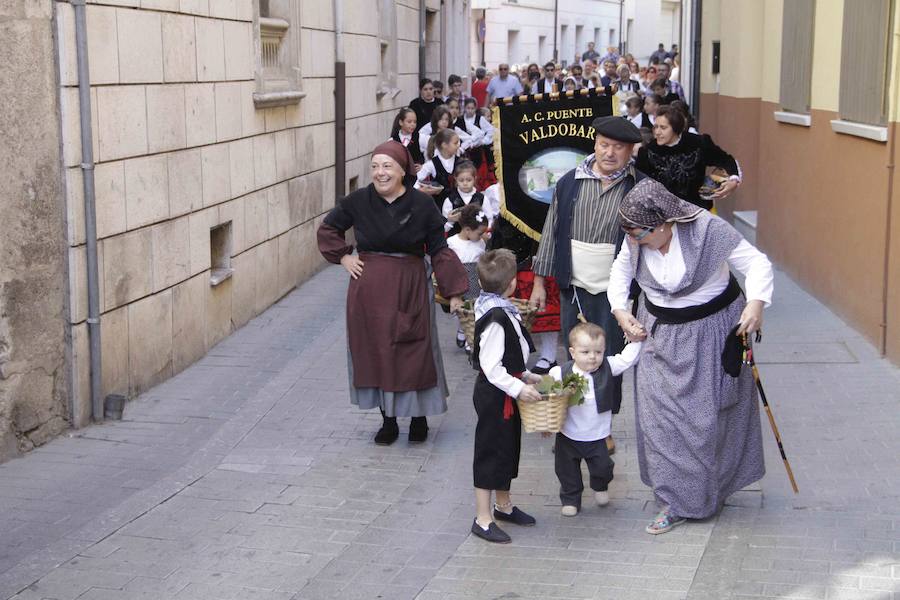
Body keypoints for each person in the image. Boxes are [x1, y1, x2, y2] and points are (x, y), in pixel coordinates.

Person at [607, 178, 773, 534]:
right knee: (660, 421)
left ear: (666, 223)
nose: (635, 241)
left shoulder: (707, 230)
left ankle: (710, 489)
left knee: (707, 422)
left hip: (710, 333)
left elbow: (757, 264)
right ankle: (676, 501)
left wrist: (757, 302)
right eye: (630, 234)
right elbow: (621, 269)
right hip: (660, 333)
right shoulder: (636, 235)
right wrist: (621, 311)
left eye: (640, 234)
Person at [317, 141, 467, 446]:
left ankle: (419, 418)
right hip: (368, 292)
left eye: (387, 166)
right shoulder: (357, 201)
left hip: (410, 286)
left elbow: (439, 248)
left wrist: (454, 292)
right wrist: (345, 256)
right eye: (375, 166)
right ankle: (387, 420)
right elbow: (328, 230)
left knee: (413, 351)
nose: (380, 172)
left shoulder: (422, 205)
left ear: (402, 171)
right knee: (377, 352)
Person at [529, 117, 647, 452]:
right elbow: (551, 234)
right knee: (577, 354)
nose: (610, 153)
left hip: (616, 294)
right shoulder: (569, 183)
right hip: (575, 289)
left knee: (608, 358)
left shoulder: (639, 187)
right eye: (604, 145)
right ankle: (570, 423)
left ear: (630, 151)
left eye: (618, 148)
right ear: (594, 144)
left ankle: (603, 427)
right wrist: (540, 284)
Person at [470, 249, 541, 544]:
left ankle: (503, 505)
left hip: (506, 391)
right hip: (494, 396)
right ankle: (482, 518)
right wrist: (519, 388)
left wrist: (524, 375)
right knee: (490, 453)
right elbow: (490, 366)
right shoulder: (497, 316)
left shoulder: (501, 307)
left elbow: (508, 358)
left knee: (507, 450)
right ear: (512, 284)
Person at [548, 323, 641, 516]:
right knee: (566, 471)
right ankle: (571, 499)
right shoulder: (560, 373)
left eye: (598, 352)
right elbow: (547, 393)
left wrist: (636, 341)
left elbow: (626, 359)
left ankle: (600, 486)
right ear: (572, 352)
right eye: (585, 352)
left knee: (603, 468)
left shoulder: (608, 366)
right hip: (568, 435)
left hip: (598, 435)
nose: (592, 357)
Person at [636, 105, 741, 210]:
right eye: (656, 127)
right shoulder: (647, 151)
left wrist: (733, 180)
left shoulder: (698, 144)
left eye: (663, 128)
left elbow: (725, 160)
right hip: (662, 216)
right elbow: (639, 185)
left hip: (697, 211)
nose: (657, 132)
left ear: (676, 128)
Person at [447, 203, 489, 349]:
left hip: (475, 281)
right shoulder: (452, 243)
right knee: (460, 308)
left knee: (474, 309)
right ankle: (462, 329)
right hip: (458, 279)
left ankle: (471, 338)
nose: (481, 236)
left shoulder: (480, 243)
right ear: (467, 229)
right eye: (479, 233)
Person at [416, 127, 461, 210]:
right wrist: (422, 190)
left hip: (459, 206)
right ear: (444, 145)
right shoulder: (432, 164)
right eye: (455, 143)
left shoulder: (461, 162)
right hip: (440, 207)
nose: (459, 145)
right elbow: (416, 179)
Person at [442, 161, 484, 236]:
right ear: (456, 179)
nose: (465, 183)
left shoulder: (481, 198)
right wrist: (451, 220)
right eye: (461, 180)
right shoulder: (450, 200)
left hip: (477, 238)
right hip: (455, 239)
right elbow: (444, 228)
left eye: (469, 180)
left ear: (475, 178)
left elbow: (489, 219)